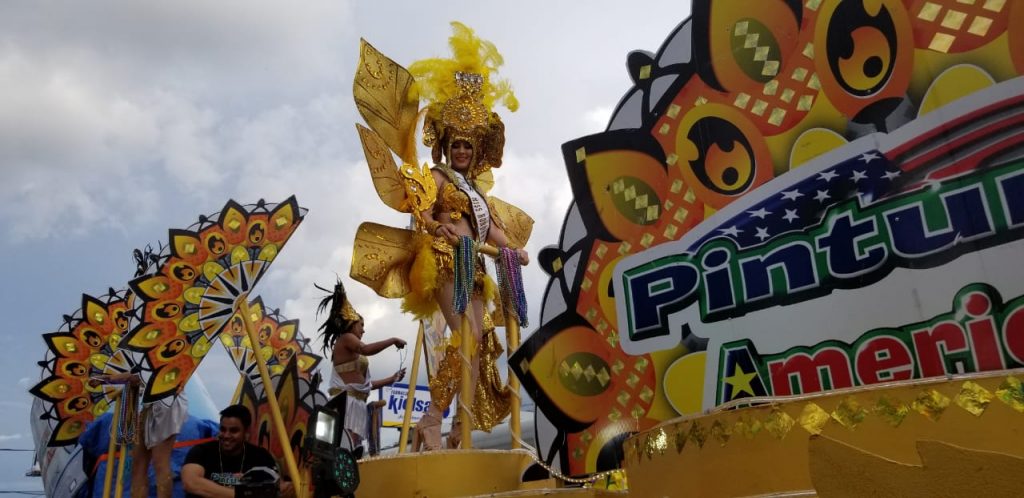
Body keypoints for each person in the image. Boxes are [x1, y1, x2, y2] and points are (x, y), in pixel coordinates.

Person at [404, 23, 529, 450]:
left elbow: (491, 229)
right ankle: (431, 417)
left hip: (474, 264)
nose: (461, 152)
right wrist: (435, 224)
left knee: (478, 344)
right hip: (442, 259)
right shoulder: (438, 177)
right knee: (467, 338)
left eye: (467, 148)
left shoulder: (477, 191)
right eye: (455, 145)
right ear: (447, 145)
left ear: (475, 153)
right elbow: (419, 209)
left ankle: (463, 425)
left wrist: (516, 250)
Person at [316, 279, 407, 450]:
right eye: (361, 325)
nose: (363, 330)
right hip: (346, 402)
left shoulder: (352, 345)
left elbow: (364, 385)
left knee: (353, 446)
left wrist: (391, 379)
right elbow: (366, 350)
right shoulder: (346, 338)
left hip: (356, 402)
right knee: (345, 445)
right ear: (351, 324)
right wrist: (392, 340)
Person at [90, 372, 188, 498]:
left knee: (160, 461)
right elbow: (138, 375)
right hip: (150, 402)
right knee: (138, 463)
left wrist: (108, 378)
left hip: (167, 400)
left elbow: (141, 374)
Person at [181, 404, 281, 498]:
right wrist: (243, 495)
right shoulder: (202, 451)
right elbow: (190, 483)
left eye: (233, 431)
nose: (226, 435)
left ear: (246, 432)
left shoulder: (260, 456)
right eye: (223, 429)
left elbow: (278, 487)